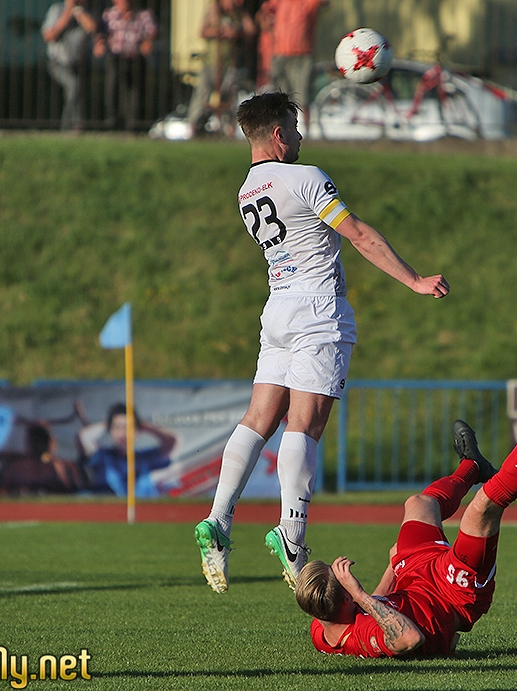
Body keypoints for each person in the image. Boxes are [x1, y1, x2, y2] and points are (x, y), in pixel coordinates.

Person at [194, 92, 450, 594]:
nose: (299, 136)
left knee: (257, 418)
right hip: (317, 310)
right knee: (304, 425)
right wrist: (415, 280)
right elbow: (358, 235)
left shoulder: (246, 191)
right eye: (294, 127)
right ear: (277, 134)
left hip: (277, 308)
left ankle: (218, 519)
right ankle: (291, 536)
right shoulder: (305, 177)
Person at [296, 361, 517, 657]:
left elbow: (373, 607)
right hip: (453, 595)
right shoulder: (363, 637)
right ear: (346, 600)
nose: (346, 579)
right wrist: (358, 592)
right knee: (482, 508)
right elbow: (409, 638)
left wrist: (392, 567)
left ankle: (473, 466)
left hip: (415, 581)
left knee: (419, 503)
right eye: (343, 582)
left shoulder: (323, 626)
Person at [186, 0, 257, 135]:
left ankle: (228, 127)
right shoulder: (213, 10)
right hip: (211, 62)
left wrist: (236, 31)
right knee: (202, 94)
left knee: (229, 94)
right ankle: (194, 125)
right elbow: (202, 32)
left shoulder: (238, 14)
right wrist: (219, 31)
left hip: (230, 64)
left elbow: (251, 30)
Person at [85, 403, 176, 498]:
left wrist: (144, 426)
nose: (123, 433)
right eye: (118, 427)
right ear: (110, 431)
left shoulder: (145, 457)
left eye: (129, 427)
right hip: (111, 506)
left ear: (137, 431)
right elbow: (84, 438)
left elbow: (173, 441)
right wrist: (107, 424)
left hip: (143, 506)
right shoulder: (102, 455)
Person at [94, 0, 158, 131]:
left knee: (136, 92)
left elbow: (153, 31)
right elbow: (100, 33)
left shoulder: (143, 15)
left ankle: (134, 123)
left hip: (136, 57)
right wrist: (99, 44)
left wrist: (148, 41)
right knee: (113, 88)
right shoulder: (109, 15)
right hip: (115, 57)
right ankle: (113, 121)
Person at [42, 0, 98, 131]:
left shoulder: (86, 11)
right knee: (73, 86)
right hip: (58, 62)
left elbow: (92, 29)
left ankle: (72, 126)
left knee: (76, 91)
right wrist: (67, 14)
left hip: (79, 63)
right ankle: (71, 126)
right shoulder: (57, 10)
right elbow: (49, 36)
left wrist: (78, 12)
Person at [269, 0, 328, 119]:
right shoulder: (279, 2)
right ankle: (281, 126)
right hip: (280, 54)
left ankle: (306, 128)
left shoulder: (307, 2)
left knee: (302, 97)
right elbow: (265, 12)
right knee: (279, 98)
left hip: (301, 56)